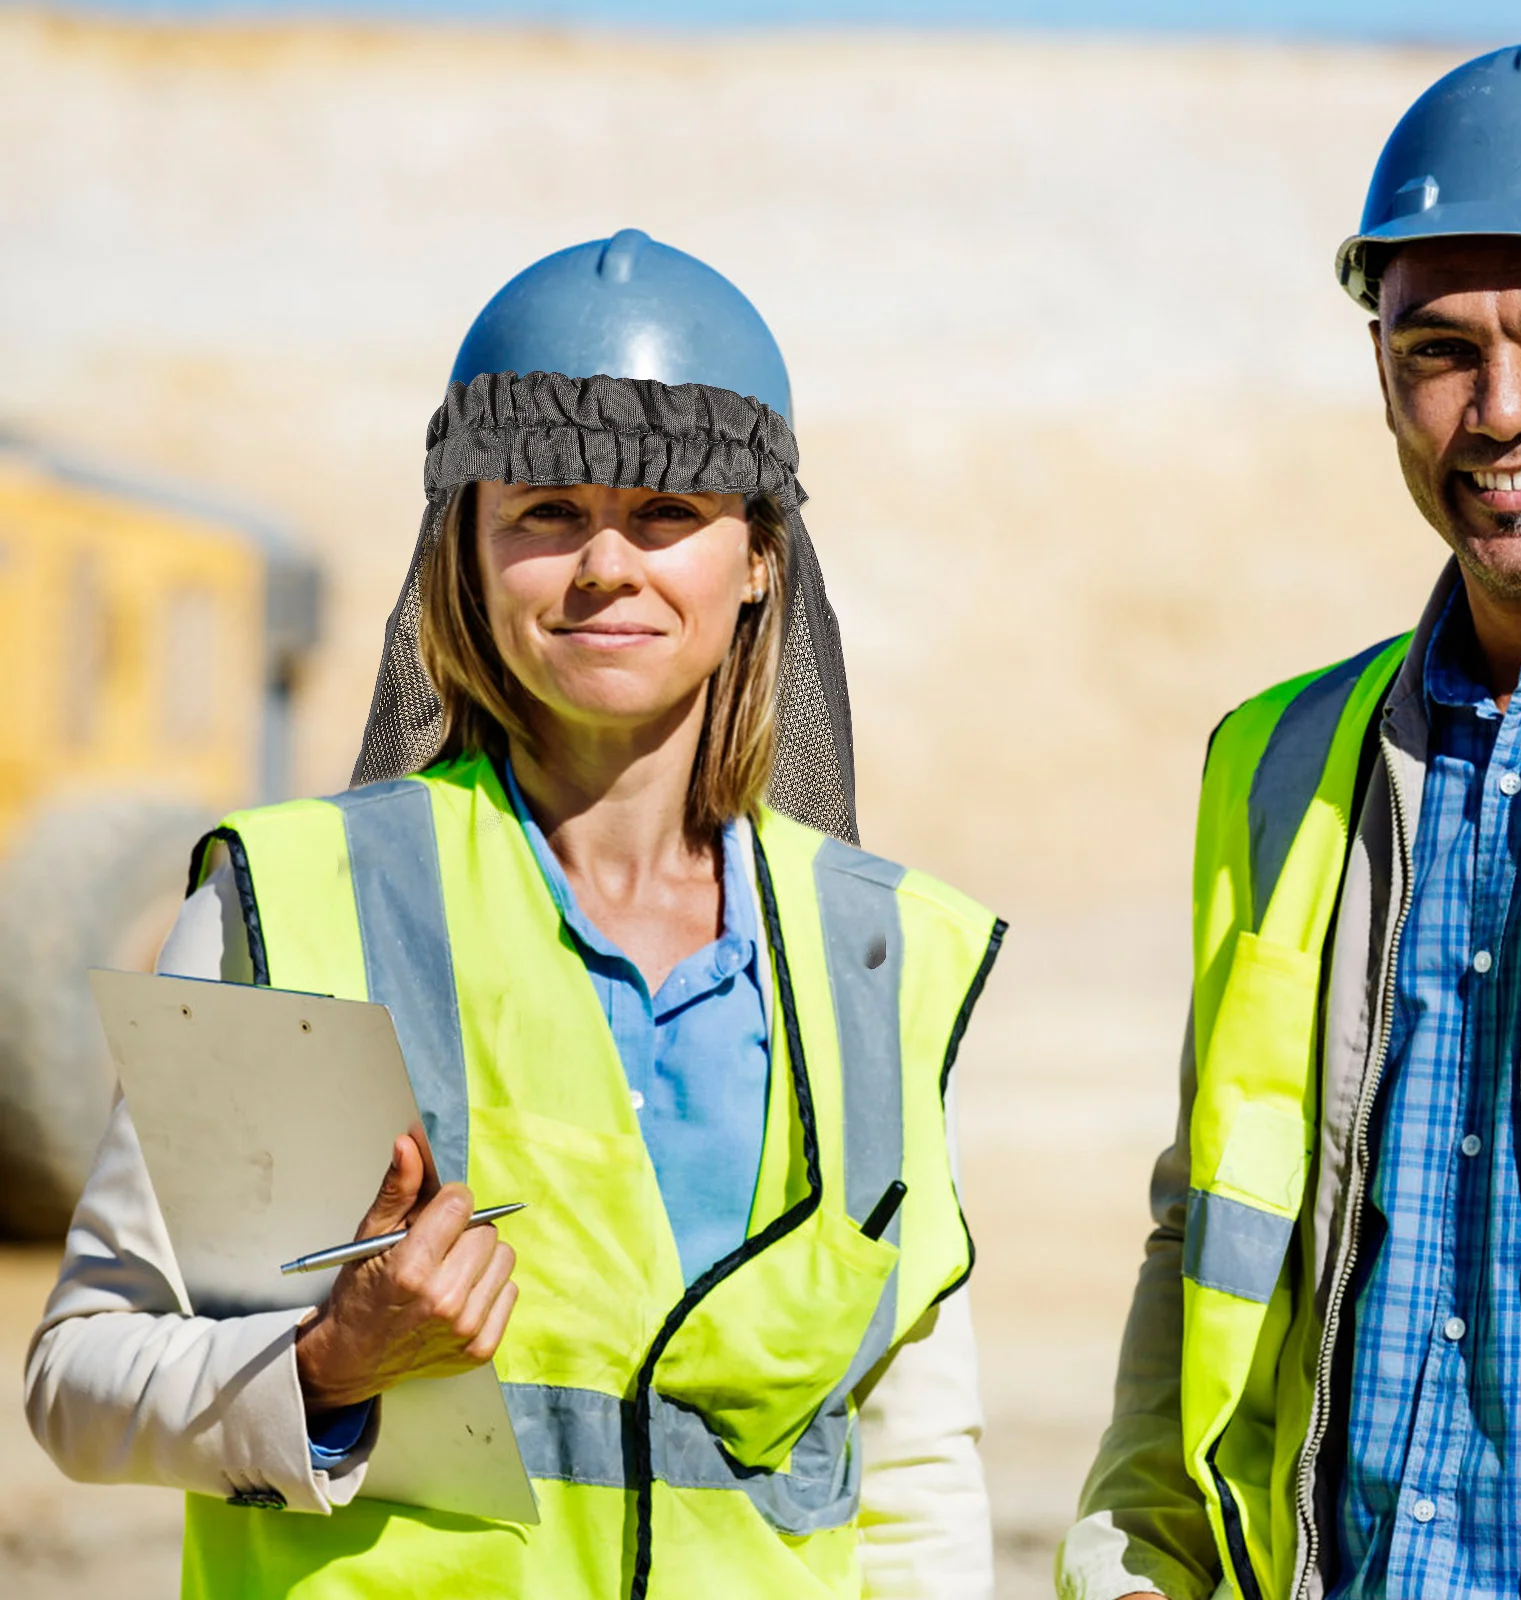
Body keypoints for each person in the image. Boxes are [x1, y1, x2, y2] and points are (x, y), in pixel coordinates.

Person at [26, 230, 1004, 1600]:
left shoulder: (876, 953)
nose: (607, 563)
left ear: (762, 560)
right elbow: (79, 1376)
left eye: (667, 512)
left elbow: (907, 1467)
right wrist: (327, 1365)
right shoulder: (293, 908)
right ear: (468, 551)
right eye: (545, 510)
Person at [1058, 33, 1521, 1600]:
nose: (1501, 411)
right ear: (1380, 372)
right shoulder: (1283, 761)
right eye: (1439, 350)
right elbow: (1205, 1253)